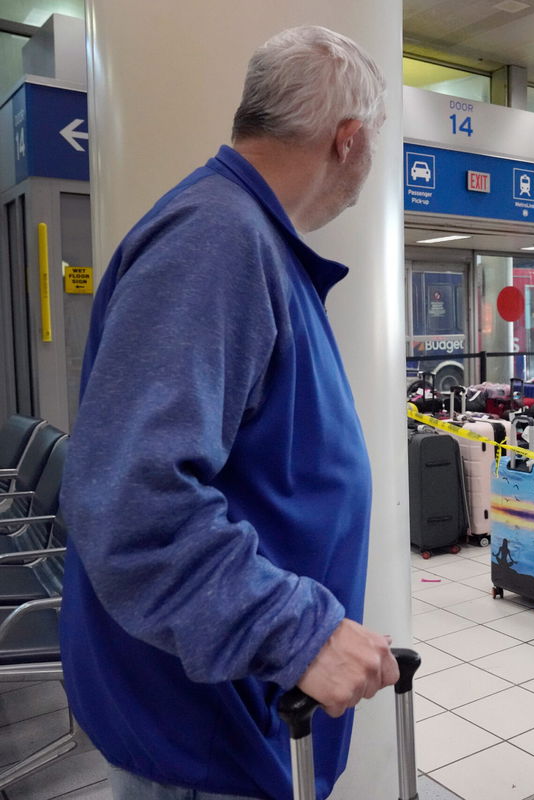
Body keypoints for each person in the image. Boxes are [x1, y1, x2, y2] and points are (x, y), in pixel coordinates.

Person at [59, 26, 397, 800]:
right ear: (347, 141)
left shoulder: (245, 237)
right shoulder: (216, 239)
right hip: (201, 731)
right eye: (371, 148)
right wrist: (297, 630)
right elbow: (130, 505)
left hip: (230, 711)